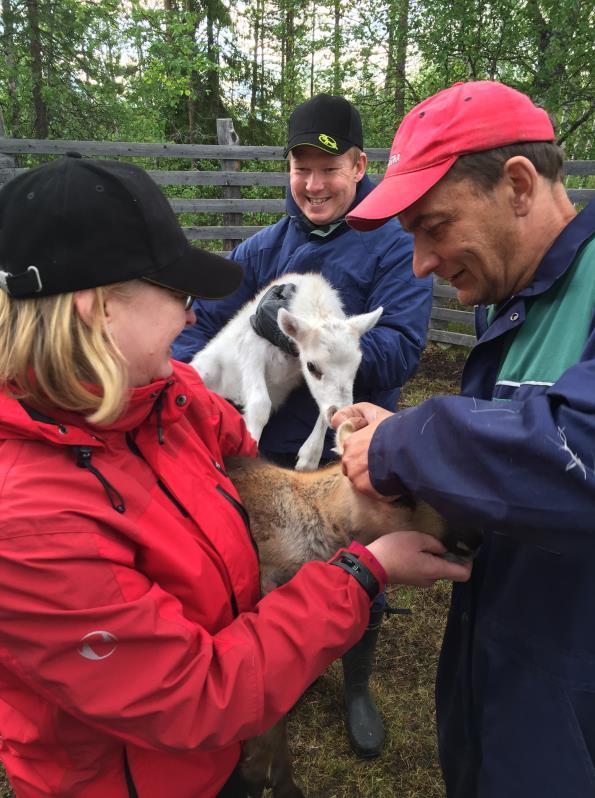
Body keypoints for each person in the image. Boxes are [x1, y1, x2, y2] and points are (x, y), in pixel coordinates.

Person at [0, 154, 471, 798]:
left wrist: (368, 466)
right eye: (178, 296)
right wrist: (364, 573)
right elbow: (193, 696)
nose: (193, 318)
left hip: (224, 751)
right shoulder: (29, 523)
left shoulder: (167, 398)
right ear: (97, 308)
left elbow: (269, 477)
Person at [332, 80, 595, 797]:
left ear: (516, 184)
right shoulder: (510, 307)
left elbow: (580, 455)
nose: (419, 262)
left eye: (433, 226)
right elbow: (515, 478)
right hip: (508, 690)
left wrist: (400, 444)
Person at [173, 92, 433, 758]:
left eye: (329, 168)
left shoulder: (394, 245)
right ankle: (276, 667)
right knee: (264, 558)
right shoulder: (264, 249)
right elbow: (203, 321)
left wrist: (308, 340)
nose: (313, 185)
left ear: (357, 165)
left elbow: (401, 345)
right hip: (266, 450)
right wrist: (176, 382)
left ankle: (355, 685)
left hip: (350, 446)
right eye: (300, 167)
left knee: (360, 554)